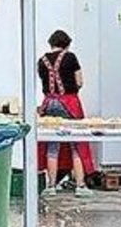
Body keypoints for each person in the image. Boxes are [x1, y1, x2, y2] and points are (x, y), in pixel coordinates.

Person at [36, 29, 97, 195]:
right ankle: (80, 185)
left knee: (52, 144)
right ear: (67, 44)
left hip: (49, 103)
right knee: (76, 143)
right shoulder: (70, 57)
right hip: (69, 102)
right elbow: (80, 81)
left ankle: (51, 186)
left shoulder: (42, 61)